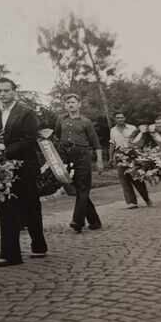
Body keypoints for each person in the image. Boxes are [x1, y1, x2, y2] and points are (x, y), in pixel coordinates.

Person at [0, 78, 49, 266]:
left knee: (30, 206)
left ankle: (38, 244)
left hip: (25, 166)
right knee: (6, 207)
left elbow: (30, 139)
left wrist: (5, 149)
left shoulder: (26, 113)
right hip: (1, 168)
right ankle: (10, 253)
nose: (2, 94)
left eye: (6, 90)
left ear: (14, 92)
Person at [54, 94, 105, 233]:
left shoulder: (86, 122)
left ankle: (78, 221)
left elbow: (96, 143)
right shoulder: (60, 119)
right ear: (65, 105)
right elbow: (57, 136)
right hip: (65, 156)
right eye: (68, 102)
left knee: (83, 188)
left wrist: (99, 161)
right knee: (76, 189)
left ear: (79, 104)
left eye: (73, 102)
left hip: (82, 155)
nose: (71, 105)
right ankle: (94, 221)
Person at [109, 111, 152, 209]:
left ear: (125, 118)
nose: (120, 119)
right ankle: (131, 202)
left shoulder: (132, 128)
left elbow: (140, 140)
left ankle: (146, 198)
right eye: (118, 118)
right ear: (115, 119)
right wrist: (111, 157)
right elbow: (112, 144)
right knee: (124, 179)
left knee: (137, 178)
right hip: (120, 155)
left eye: (122, 117)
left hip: (133, 154)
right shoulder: (113, 130)